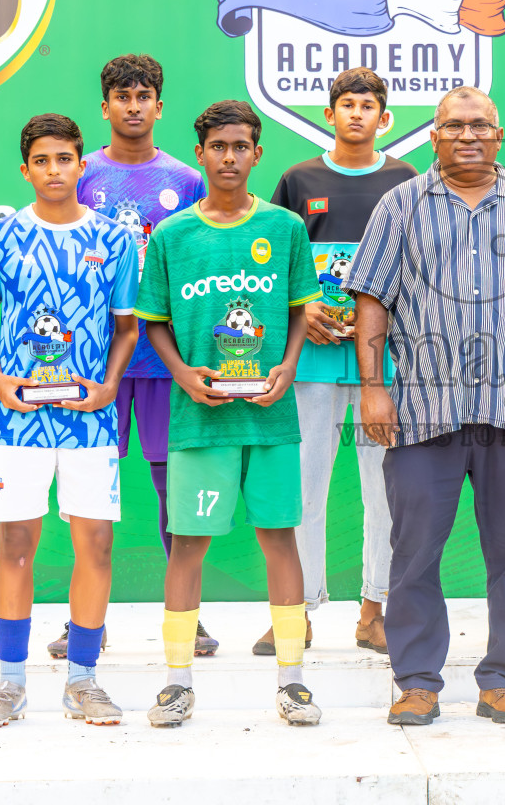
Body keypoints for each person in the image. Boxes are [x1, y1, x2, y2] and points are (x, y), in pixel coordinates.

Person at [345, 86, 505, 727]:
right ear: (434, 136)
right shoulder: (399, 206)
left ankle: (504, 681)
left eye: (480, 125)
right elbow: (372, 300)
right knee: (415, 552)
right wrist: (374, 387)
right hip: (424, 410)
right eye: (454, 127)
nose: (469, 136)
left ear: (498, 132)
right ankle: (418, 681)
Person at [134, 100, 323, 728]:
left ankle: (293, 681)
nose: (230, 157)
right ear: (201, 153)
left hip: (270, 417)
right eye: (219, 146)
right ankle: (177, 682)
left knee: (279, 538)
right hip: (200, 419)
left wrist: (289, 364)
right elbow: (153, 321)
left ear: (256, 154)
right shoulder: (172, 236)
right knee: (188, 544)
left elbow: (299, 309)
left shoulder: (285, 227)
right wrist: (183, 374)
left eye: (241, 147)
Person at [0, 114, 139, 727]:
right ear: (26, 169)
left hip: (89, 420)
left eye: (64, 159)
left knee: (95, 541)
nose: (53, 171)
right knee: (17, 543)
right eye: (41, 161)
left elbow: (127, 329)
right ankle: (8, 684)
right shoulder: (1, 235)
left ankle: (84, 681)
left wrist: (109, 386)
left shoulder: (114, 239)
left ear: (80, 164)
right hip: (16, 420)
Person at [266, 67, 416, 656]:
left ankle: (376, 609)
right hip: (314, 362)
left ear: (385, 118)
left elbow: (418, 267)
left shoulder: (407, 180)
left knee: (386, 490)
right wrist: (305, 317)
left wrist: (379, 323)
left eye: (368, 105)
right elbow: (277, 267)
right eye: (346, 104)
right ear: (329, 114)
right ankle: (296, 610)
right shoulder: (298, 180)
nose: (357, 113)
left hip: (385, 365)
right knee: (306, 489)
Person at [74, 54, 210, 658]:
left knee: (169, 487)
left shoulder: (186, 181)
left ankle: (187, 617)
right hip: (92, 360)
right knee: (87, 486)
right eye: (122, 96)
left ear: (160, 106)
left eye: (144, 95)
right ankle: (85, 623)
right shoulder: (79, 176)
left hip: (161, 359)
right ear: (105, 107)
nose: (133, 105)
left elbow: (204, 264)